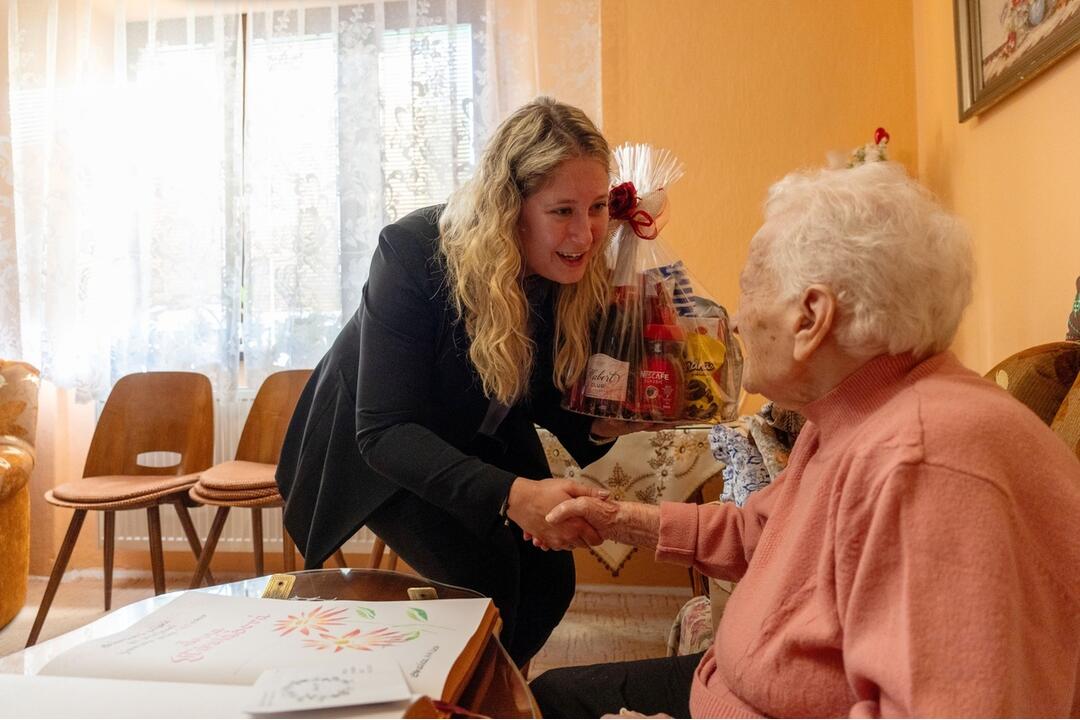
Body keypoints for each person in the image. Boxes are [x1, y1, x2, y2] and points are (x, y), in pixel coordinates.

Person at [531, 161, 1080, 717]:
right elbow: (762, 534)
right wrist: (619, 519)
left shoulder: (923, 460)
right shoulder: (853, 410)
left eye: (749, 292)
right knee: (554, 694)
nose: (737, 321)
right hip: (727, 688)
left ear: (812, 316)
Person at [275, 97, 643, 667]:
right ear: (509, 207)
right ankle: (463, 694)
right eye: (563, 210)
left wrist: (607, 420)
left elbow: (541, 395)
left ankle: (487, 692)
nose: (586, 232)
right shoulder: (412, 250)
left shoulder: (558, 268)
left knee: (549, 583)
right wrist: (513, 496)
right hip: (379, 440)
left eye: (597, 207)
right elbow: (385, 431)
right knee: (486, 578)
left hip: (476, 430)